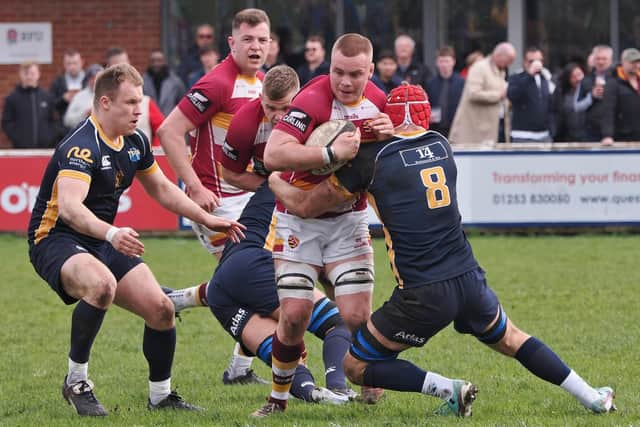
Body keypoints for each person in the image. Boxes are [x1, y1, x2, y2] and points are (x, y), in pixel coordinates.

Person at [268, 83, 617, 418]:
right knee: (512, 338)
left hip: (423, 292)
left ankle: (448, 389)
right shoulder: (441, 145)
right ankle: (593, 396)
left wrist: (275, 180)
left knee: (355, 366)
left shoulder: (370, 160)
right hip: (468, 277)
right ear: (425, 117)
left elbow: (304, 206)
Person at [26, 63, 245, 417]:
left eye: (139, 102)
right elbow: (68, 208)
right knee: (101, 286)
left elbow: (160, 188)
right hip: (55, 239)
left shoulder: (136, 141)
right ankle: (76, 381)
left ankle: (161, 397)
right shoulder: (82, 146)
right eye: (129, 103)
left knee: (161, 309)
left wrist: (207, 219)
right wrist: (113, 232)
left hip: (100, 241)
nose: (138, 110)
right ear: (105, 103)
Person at [253, 32, 394, 417]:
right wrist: (330, 151)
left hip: (349, 221)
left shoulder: (379, 102)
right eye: (337, 72)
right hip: (299, 223)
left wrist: (389, 135)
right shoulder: (312, 99)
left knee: (355, 317)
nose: (345, 82)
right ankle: (277, 399)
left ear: (370, 70)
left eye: (355, 74)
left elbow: (397, 157)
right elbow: (273, 154)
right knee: (295, 315)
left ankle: (370, 383)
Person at [157, 8, 271, 384]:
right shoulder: (217, 83)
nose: (255, 47)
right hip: (216, 203)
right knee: (255, 283)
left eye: (262, 40)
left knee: (260, 281)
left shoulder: (265, 83)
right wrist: (194, 186)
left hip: (249, 199)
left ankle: (178, 303)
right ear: (231, 43)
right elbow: (170, 131)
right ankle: (240, 370)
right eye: (248, 40)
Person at [166, 182, 356, 403]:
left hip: (222, 285)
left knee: (286, 351)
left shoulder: (274, 184)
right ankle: (340, 389)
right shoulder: (313, 195)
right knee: (336, 323)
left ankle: (313, 394)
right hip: (256, 263)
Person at [449, 42, 515, 145]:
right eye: (509, 60)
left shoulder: (500, 71)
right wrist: (499, 95)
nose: (510, 64)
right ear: (499, 55)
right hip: (475, 132)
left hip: (495, 129)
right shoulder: (479, 68)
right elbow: (473, 93)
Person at [106, 47, 164, 146]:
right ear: (108, 68)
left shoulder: (146, 102)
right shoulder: (101, 102)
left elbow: (162, 129)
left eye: (124, 64)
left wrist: (153, 151)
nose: (122, 70)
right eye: (117, 66)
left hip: (140, 159)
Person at [2, 62, 60, 148]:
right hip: (21, 150)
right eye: (26, 73)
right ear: (20, 74)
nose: (29, 77)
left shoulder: (47, 97)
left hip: (45, 149)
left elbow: (55, 121)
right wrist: (18, 139)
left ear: (38, 74)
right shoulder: (12, 98)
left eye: (32, 73)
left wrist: (49, 137)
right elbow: (6, 123)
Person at [508, 47, 554, 143]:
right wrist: (529, 74)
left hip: (544, 135)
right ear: (524, 62)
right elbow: (512, 95)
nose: (536, 64)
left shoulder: (546, 78)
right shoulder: (516, 77)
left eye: (539, 60)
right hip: (523, 135)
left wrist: (552, 129)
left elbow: (553, 105)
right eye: (531, 61)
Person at [601, 48, 640, 145]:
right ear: (623, 62)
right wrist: (607, 135)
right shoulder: (613, 83)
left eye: (638, 61)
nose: (636, 64)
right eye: (632, 62)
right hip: (623, 135)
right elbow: (608, 110)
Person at [426, 46, 465, 137]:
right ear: (437, 63)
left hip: (457, 129)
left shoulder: (462, 83)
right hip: (435, 129)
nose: (444, 65)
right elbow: (427, 105)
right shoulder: (430, 83)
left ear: (453, 62)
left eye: (447, 61)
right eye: (441, 61)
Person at [581, 45, 614, 141]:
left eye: (604, 59)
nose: (601, 62)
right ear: (593, 60)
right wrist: (591, 96)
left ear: (611, 60)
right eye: (598, 59)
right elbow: (577, 106)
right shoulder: (585, 79)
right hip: (591, 132)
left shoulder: (618, 78)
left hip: (615, 131)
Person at [552, 62, 591, 142]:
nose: (578, 79)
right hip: (568, 138)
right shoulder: (562, 95)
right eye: (573, 77)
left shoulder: (590, 91)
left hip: (587, 137)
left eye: (579, 74)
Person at [143, 49, 186, 116]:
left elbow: (182, 105)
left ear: (165, 62)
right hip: (149, 122)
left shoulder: (176, 82)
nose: (156, 64)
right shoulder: (143, 82)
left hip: (170, 122)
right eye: (153, 61)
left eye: (159, 60)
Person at [50, 49, 85, 126]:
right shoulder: (57, 82)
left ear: (82, 62)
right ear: (64, 64)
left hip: (86, 125)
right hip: (64, 128)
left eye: (75, 63)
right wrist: (63, 99)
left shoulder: (89, 81)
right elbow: (50, 104)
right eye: (69, 63)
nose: (72, 66)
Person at [64, 64, 104, 129]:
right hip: (84, 134)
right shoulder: (79, 96)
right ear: (88, 80)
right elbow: (67, 120)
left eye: (98, 78)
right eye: (92, 78)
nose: (95, 80)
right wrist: (84, 114)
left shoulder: (111, 95)